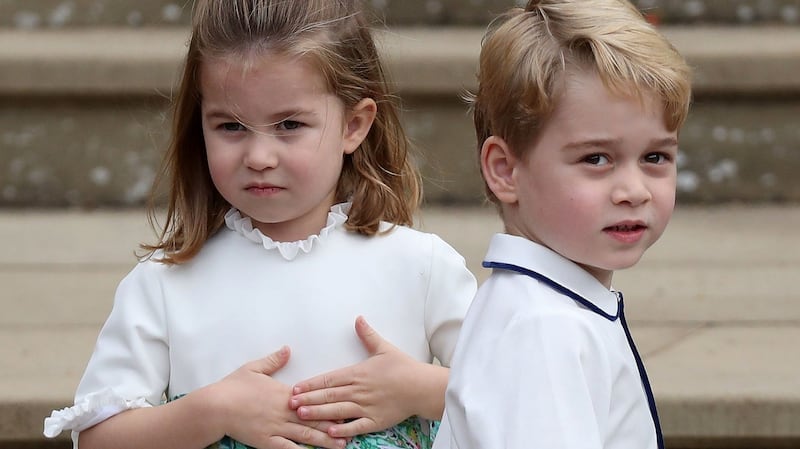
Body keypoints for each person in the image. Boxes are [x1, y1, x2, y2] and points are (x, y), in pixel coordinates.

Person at [42, 1, 477, 448]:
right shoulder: (164, 284)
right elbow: (97, 440)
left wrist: (422, 390)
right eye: (231, 126)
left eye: (289, 124)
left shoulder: (421, 267)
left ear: (354, 125)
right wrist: (211, 411)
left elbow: (510, 395)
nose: (259, 157)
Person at [433, 0, 692, 448]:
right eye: (596, 159)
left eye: (655, 156)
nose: (634, 190)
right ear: (505, 170)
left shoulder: (544, 306)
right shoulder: (544, 327)